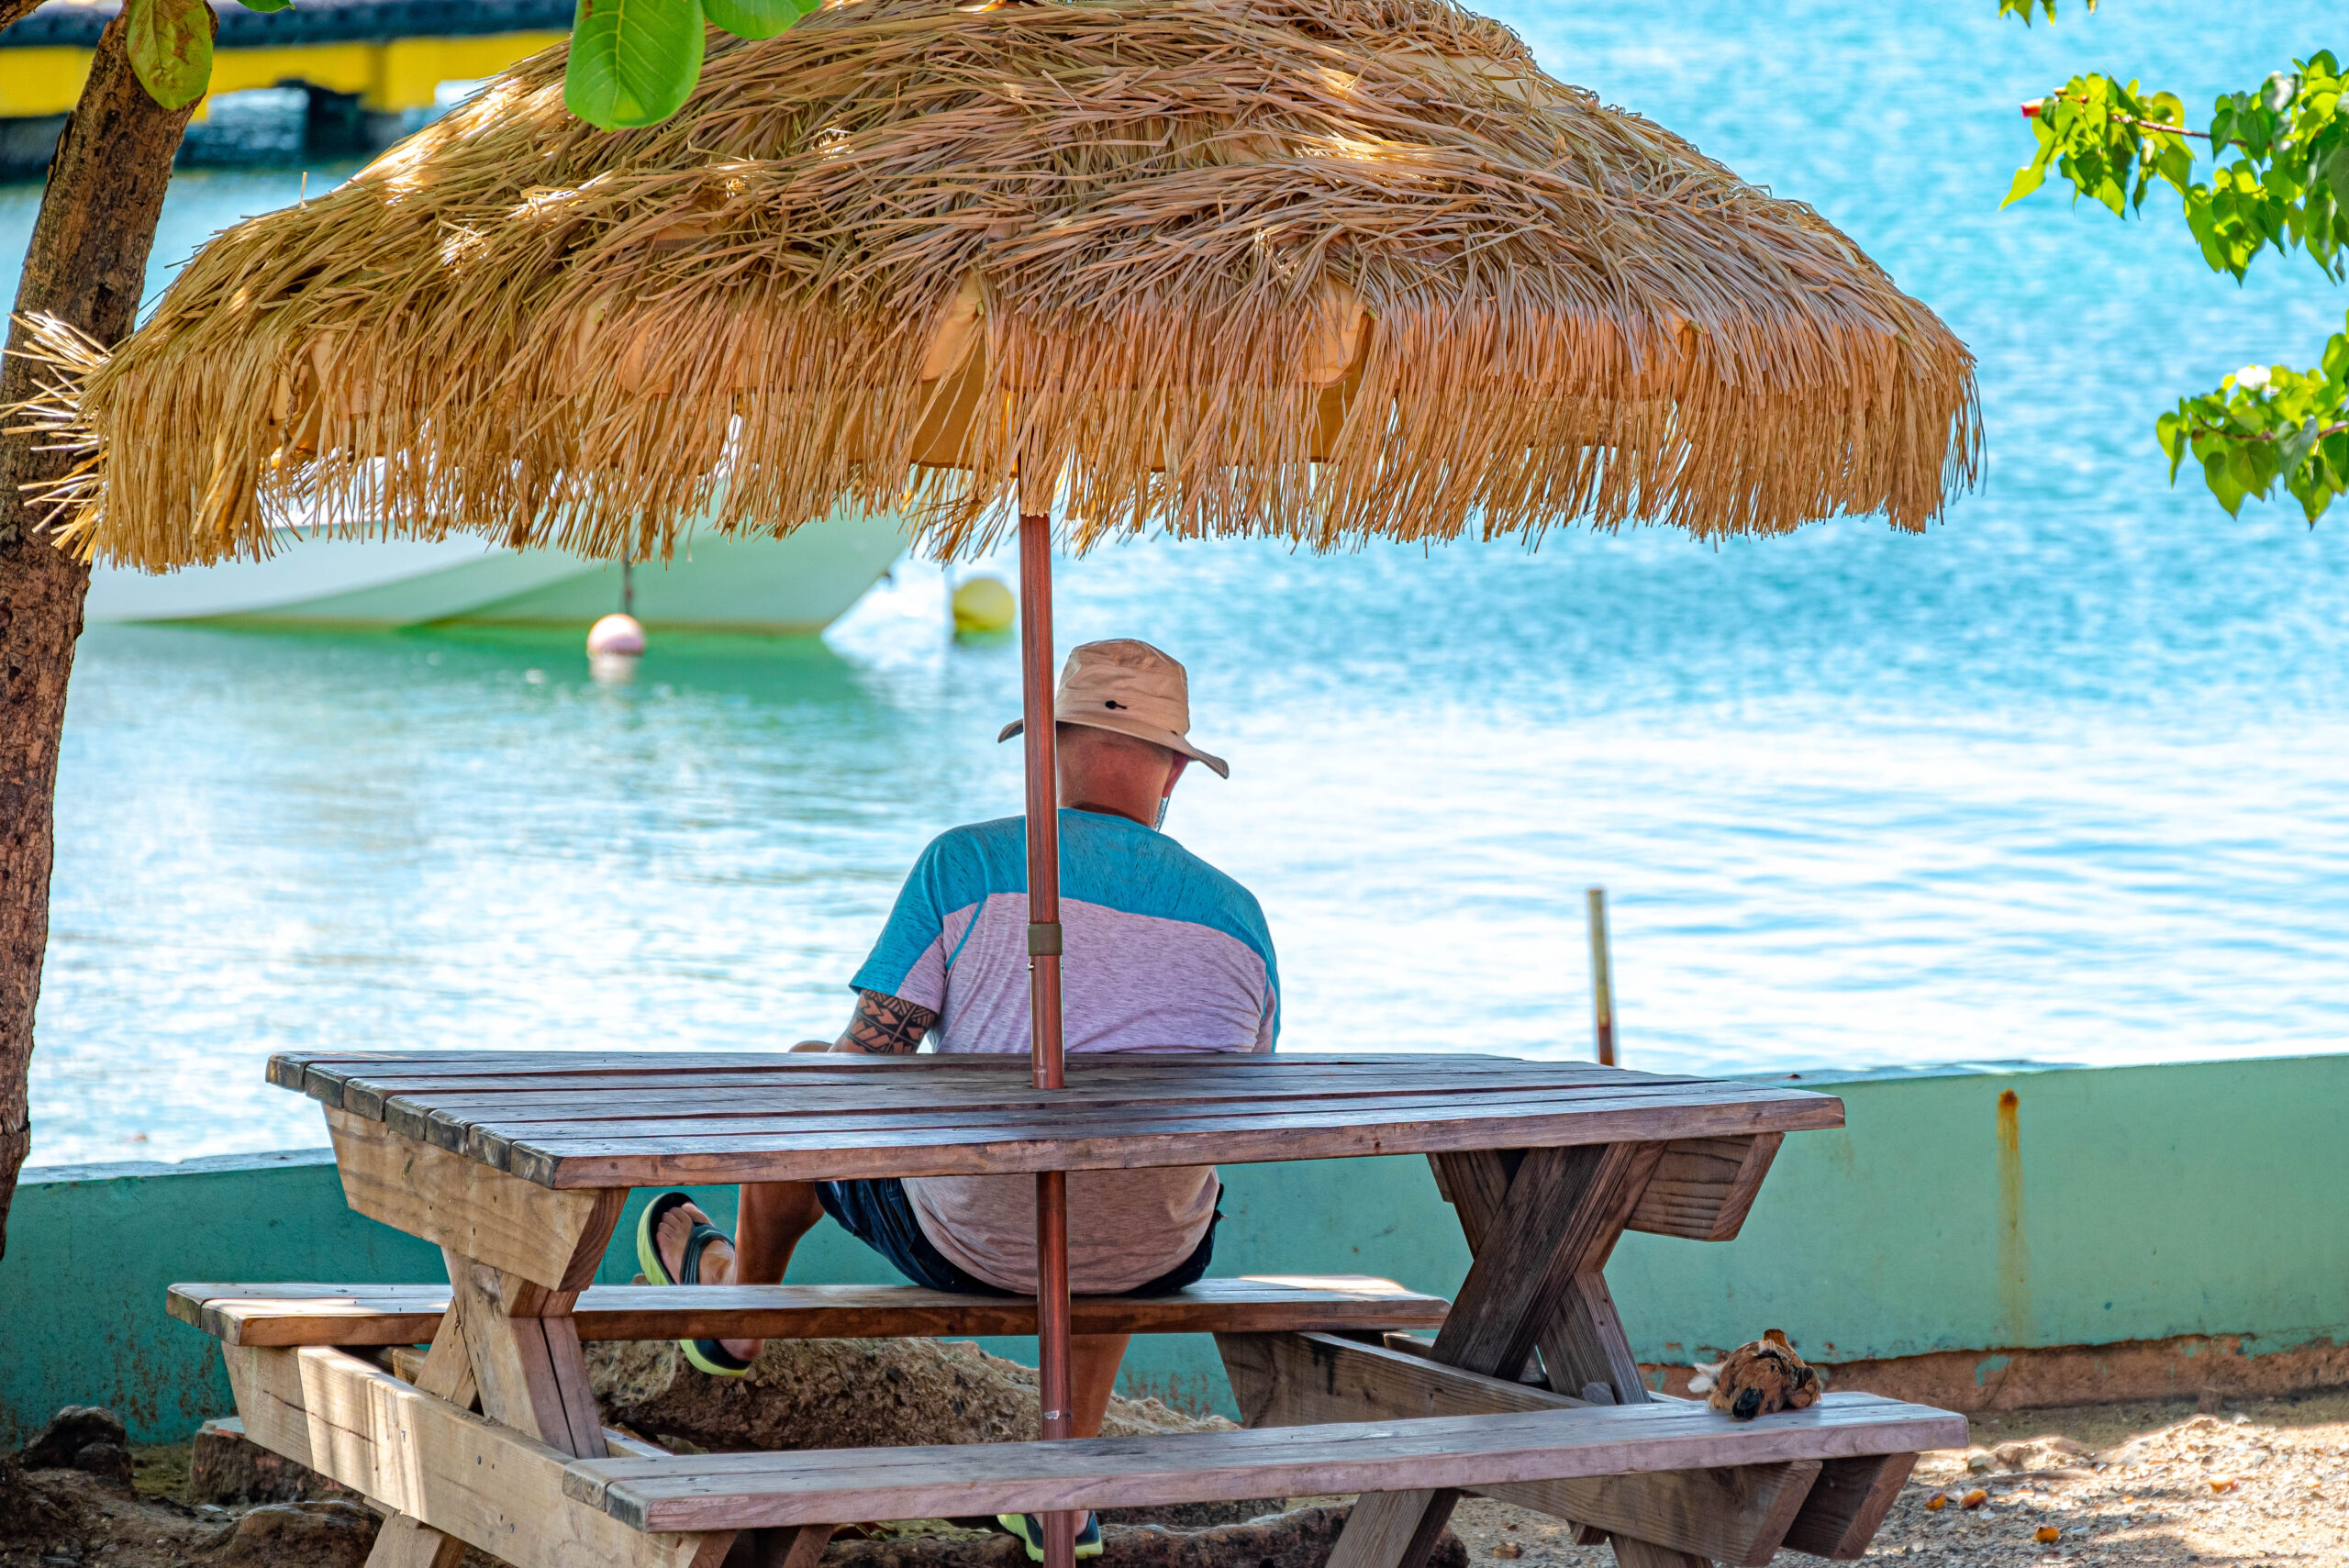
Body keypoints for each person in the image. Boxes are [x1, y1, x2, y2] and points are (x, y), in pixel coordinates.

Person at [636, 638, 1278, 1561]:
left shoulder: (964, 864)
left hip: (967, 1245)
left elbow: (860, 1066)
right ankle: (1066, 1473)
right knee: (1141, 1169)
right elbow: (1235, 1107)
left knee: (804, 1067)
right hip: (1156, 1255)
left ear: (1049, 744)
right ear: (1176, 768)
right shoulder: (1239, 917)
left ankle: (739, 1316)